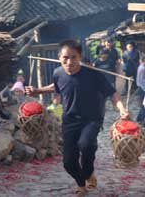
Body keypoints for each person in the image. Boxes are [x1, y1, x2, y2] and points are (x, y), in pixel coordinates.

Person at [25, 39, 129, 197]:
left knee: (86, 145)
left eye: (73, 57)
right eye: (65, 58)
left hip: (92, 119)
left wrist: (121, 108)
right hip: (70, 120)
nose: (69, 62)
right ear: (59, 57)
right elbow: (57, 86)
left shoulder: (93, 75)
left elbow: (112, 93)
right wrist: (38, 90)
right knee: (68, 163)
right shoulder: (57, 73)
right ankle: (83, 180)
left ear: (80, 56)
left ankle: (85, 178)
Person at [136, 55, 145, 123]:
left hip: (142, 88)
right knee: (143, 105)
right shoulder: (142, 68)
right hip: (142, 89)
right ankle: (140, 119)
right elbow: (140, 81)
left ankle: (139, 118)